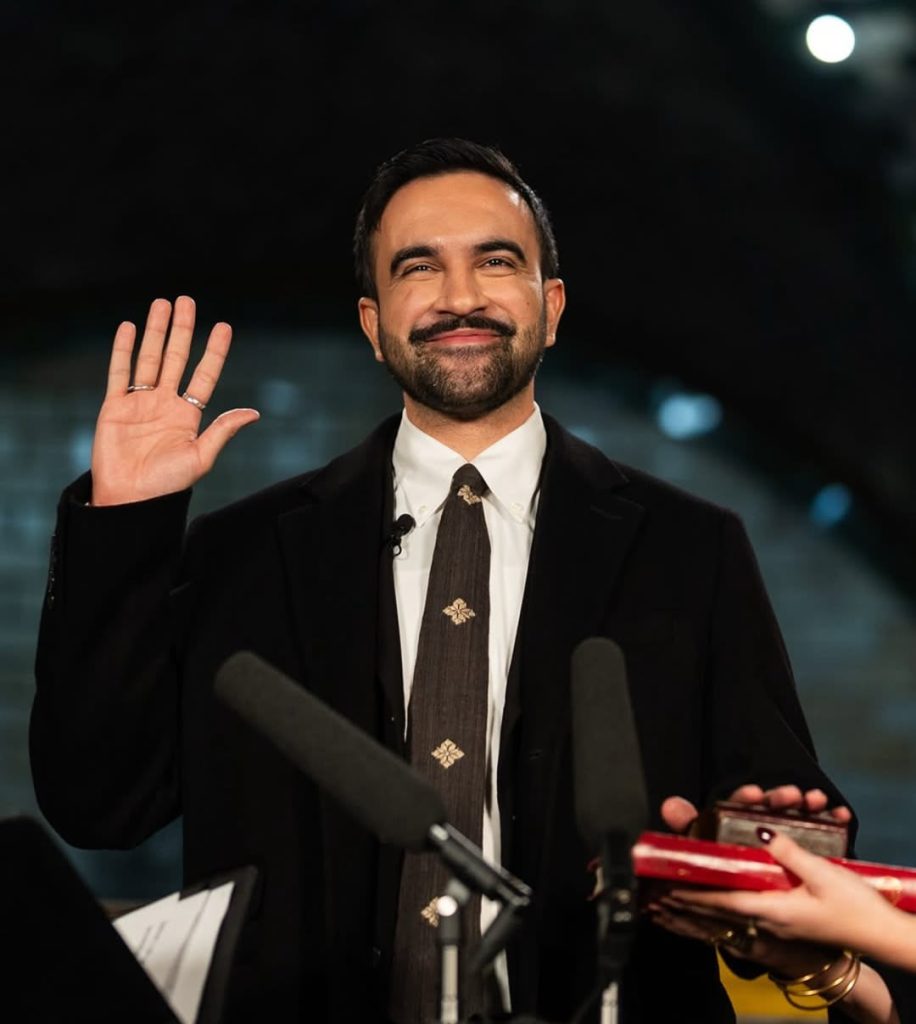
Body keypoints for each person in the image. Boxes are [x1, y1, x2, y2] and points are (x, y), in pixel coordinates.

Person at [28, 138, 892, 1022]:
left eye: (496, 261)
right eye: (418, 267)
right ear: (373, 325)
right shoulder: (241, 551)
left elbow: (788, 834)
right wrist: (123, 522)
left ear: (551, 308)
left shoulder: (690, 548)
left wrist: (744, 851)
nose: (460, 296)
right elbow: (100, 803)